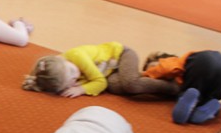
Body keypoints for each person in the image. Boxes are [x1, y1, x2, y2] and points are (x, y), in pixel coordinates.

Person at [22, 42, 178, 98]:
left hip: (121, 55)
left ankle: (174, 88)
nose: (76, 76)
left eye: (72, 71)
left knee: (131, 84)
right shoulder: (57, 69)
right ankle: (154, 73)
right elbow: (102, 82)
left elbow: (100, 82)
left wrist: (82, 89)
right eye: (71, 81)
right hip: (109, 71)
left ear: (63, 60)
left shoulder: (78, 57)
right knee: (116, 88)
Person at [142, 50, 221, 124]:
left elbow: (165, 68)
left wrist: (145, 75)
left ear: (162, 59)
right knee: (206, 97)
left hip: (202, 61)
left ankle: (186, 106)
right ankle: (210, 106)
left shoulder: (174, 61)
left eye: (153, 67)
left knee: (188, 91)